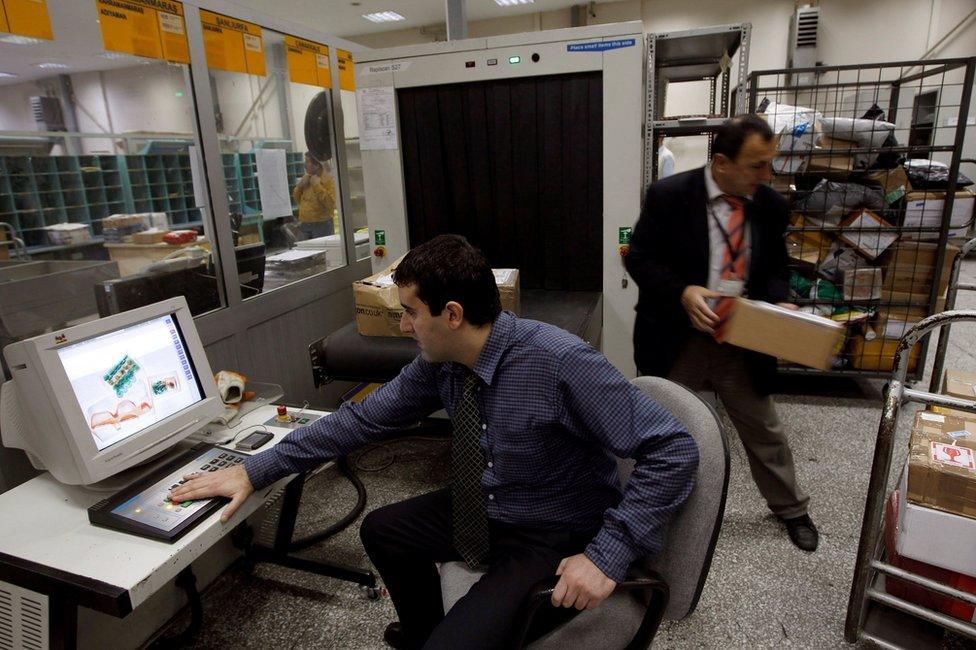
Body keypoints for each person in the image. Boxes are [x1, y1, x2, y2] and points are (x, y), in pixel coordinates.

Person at [170, 234, 698, 649]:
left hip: (552, 528)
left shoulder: (558, 362)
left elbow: (674, 448)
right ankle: (429, 635)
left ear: (451, 314)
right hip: (493, 506)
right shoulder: (440, 364)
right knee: (384, 531)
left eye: (410, 312)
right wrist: (256, 468)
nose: (402, 325)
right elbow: (360, 421)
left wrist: (607, 555)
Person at [624, 114, 819, 553]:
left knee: (765, 429)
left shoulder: (769, 206)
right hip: (679, 339)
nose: (767, 174)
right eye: (757, 165)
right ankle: (644, 510)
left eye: (769, 162)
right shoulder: (670, 196)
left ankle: (791, 508)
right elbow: (639, 258)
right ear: (722, 163)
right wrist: (682, 291)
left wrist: (780, 300)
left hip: (742, 339)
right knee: (662, 428)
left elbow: (773, 269)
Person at [293, 152, 337, 239]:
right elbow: (298, 200)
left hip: (322, 224)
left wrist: (317, 186)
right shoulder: (306, 178)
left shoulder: (328, 180)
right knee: (304, 251)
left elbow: (330, 204)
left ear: (317, 165)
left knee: (323, 251)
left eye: (307, 162)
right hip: (304, 223)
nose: (304, 165)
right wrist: (300, 186)